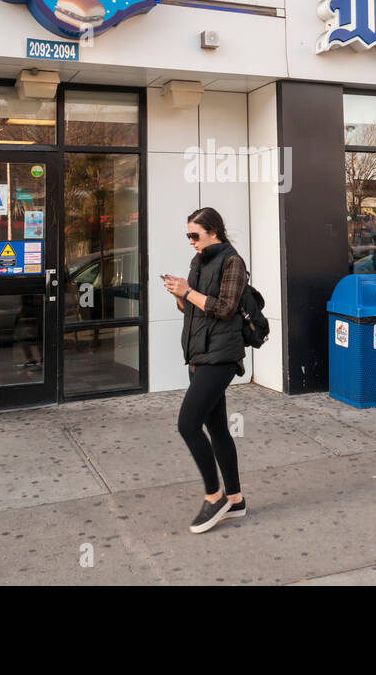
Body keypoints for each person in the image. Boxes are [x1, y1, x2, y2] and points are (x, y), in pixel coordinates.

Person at [161, 207, 247, 533]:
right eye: (188, 236)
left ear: (214, 231)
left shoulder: (232, 262)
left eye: (194, 235)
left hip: (222, 357)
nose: (191, 242)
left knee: (187, 424)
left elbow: (225, 308)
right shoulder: (198, 262)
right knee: (219, 428)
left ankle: (215, 497)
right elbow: (192, 308)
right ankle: (236, 499)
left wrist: (188, 292)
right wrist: (179, 294)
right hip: (198, 355)